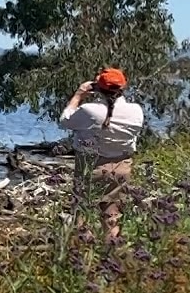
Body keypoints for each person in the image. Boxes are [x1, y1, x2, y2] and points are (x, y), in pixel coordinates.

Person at [57, 67, 146, 239]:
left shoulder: (90, 110)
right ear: (122, 88)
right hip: (122, 165)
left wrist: (78, 96)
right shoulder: (136, 110)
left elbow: (65, 121)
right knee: (112, 215)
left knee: (81, 214)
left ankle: (82, 253)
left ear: (97, 88)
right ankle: (109, 255)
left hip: (90, 166)